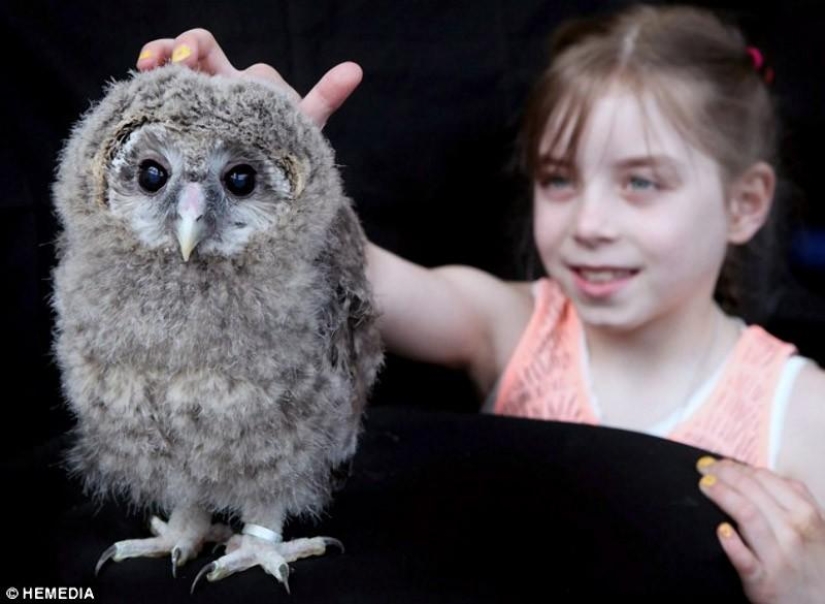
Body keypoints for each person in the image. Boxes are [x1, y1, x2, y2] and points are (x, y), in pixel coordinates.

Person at [137, 4, 825, 602]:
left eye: (640, 183)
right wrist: (269, 166)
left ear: (744, 204)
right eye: (558, 180)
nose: (588, 223)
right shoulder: (511, 325)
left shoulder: (800, 412)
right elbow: (361, 273)